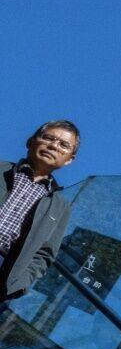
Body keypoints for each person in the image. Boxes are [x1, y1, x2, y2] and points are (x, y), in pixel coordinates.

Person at [1, 120, 78, 301]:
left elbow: (44, 254)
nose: (53, 146)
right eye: (48, 138)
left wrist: (17, 284)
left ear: (69, 159)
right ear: (30, 142)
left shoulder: (59, 207)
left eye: (63, 145)